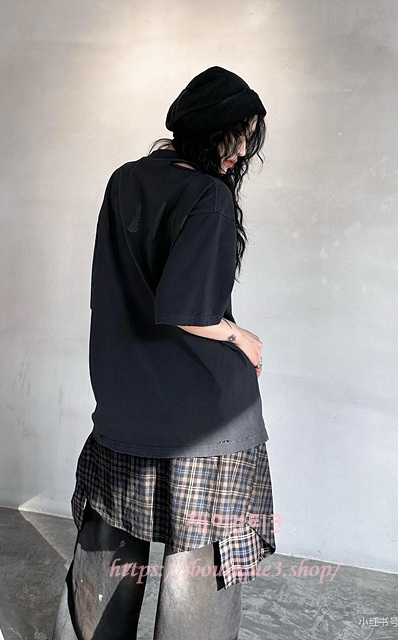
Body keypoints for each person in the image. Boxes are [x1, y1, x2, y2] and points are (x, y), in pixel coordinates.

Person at [51, 66, 275, 640]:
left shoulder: (124, 179)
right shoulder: (208, 196)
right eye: (237, 137)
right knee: (197, 573)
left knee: (106, 555)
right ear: (209, 132)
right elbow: (188, 309)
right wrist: (238, 335)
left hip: (126, 401)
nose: (241, 152)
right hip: (205, 420)